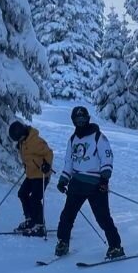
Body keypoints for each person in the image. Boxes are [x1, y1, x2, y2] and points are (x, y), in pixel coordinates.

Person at [54, 106, 124, 259]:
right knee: (67, 215)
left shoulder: (98, 137)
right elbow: (68, 162)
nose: (80, 122)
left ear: (88, 119)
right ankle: (63, 242)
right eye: (77, 120)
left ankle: (116, 246)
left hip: (96, 184)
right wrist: (63, 179)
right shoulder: (72, 140)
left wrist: (105, 179)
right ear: (73, 121)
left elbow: (107, 158)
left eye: (82, 119)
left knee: (103, 218)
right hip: (77, 183)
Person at [8, 120, 53, 236]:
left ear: (22, 134)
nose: (18, 141)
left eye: (19, 139)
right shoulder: (22, 142)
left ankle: (40, 225)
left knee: (35, 198)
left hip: (41, 175)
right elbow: (28, 156)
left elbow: (49, 153)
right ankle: (30, 220)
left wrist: (47, 165)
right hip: (31, 174)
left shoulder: (35, 141)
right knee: (22, 193)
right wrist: (26, 165)